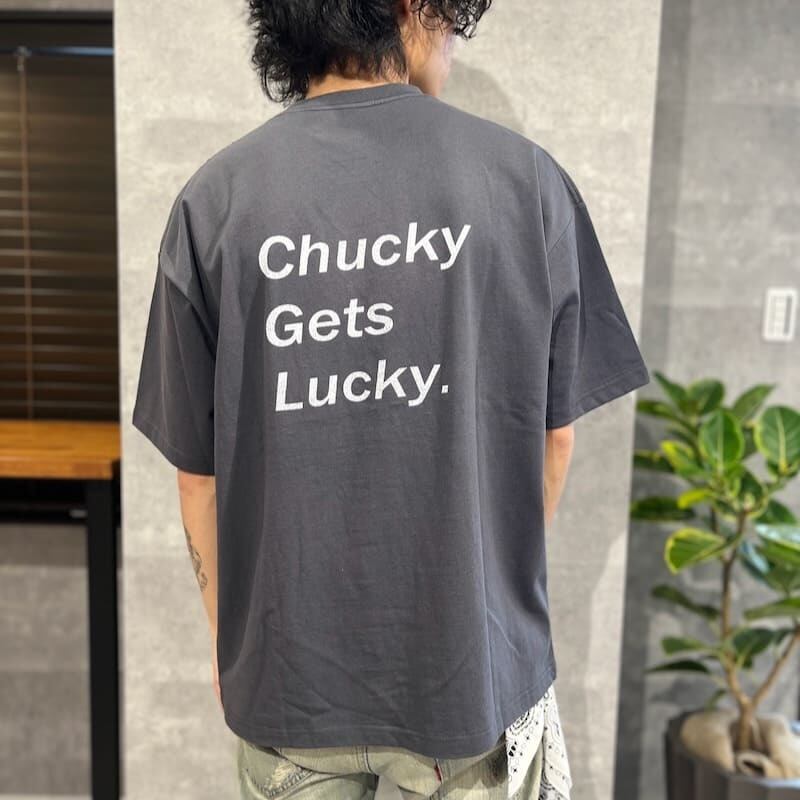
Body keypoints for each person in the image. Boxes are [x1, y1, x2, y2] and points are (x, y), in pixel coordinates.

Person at [131, 0, 651, 797]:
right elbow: (554, 440)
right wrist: (484, 595)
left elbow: (198, 478)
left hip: (290, 686)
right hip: (466, 678)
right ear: (413, 9)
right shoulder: (526, 182)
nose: (452, 46)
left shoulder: (214, 202)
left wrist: (227, 640)